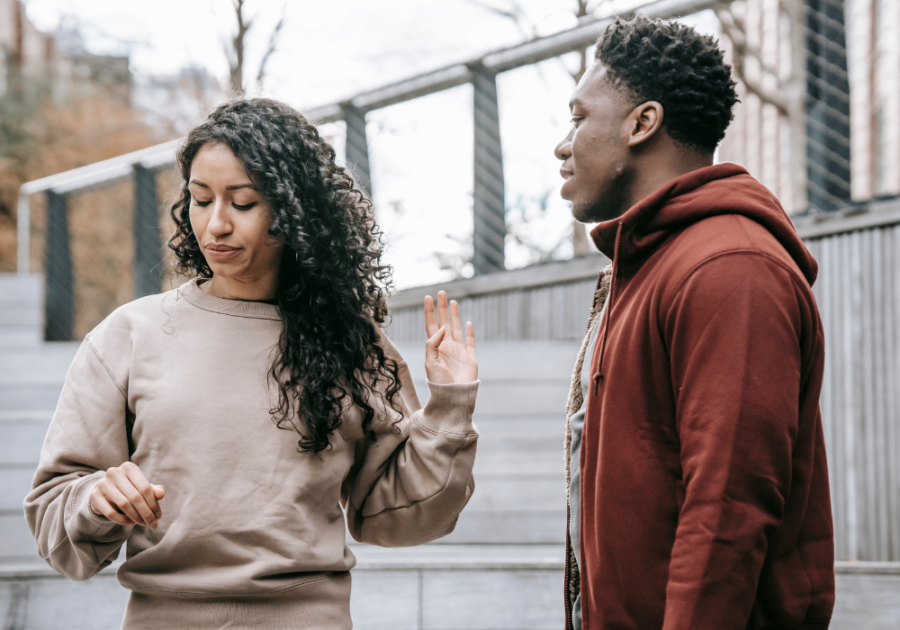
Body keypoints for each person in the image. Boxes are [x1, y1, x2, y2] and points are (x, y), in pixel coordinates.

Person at [25, 98, 480, 629]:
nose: (215, 224)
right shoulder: (127, 336)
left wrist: (449, 407)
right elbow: (55, 525)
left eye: (242, 203)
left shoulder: (352, 344)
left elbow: (398, 516)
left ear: (292, 212)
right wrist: (96, 500)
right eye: (199, 199)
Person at [555, 16, 834, 630]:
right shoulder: (650, 266)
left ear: (642, 124)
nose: (563, 143)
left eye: (578, 118)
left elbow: (728, 507)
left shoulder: (729, 268)